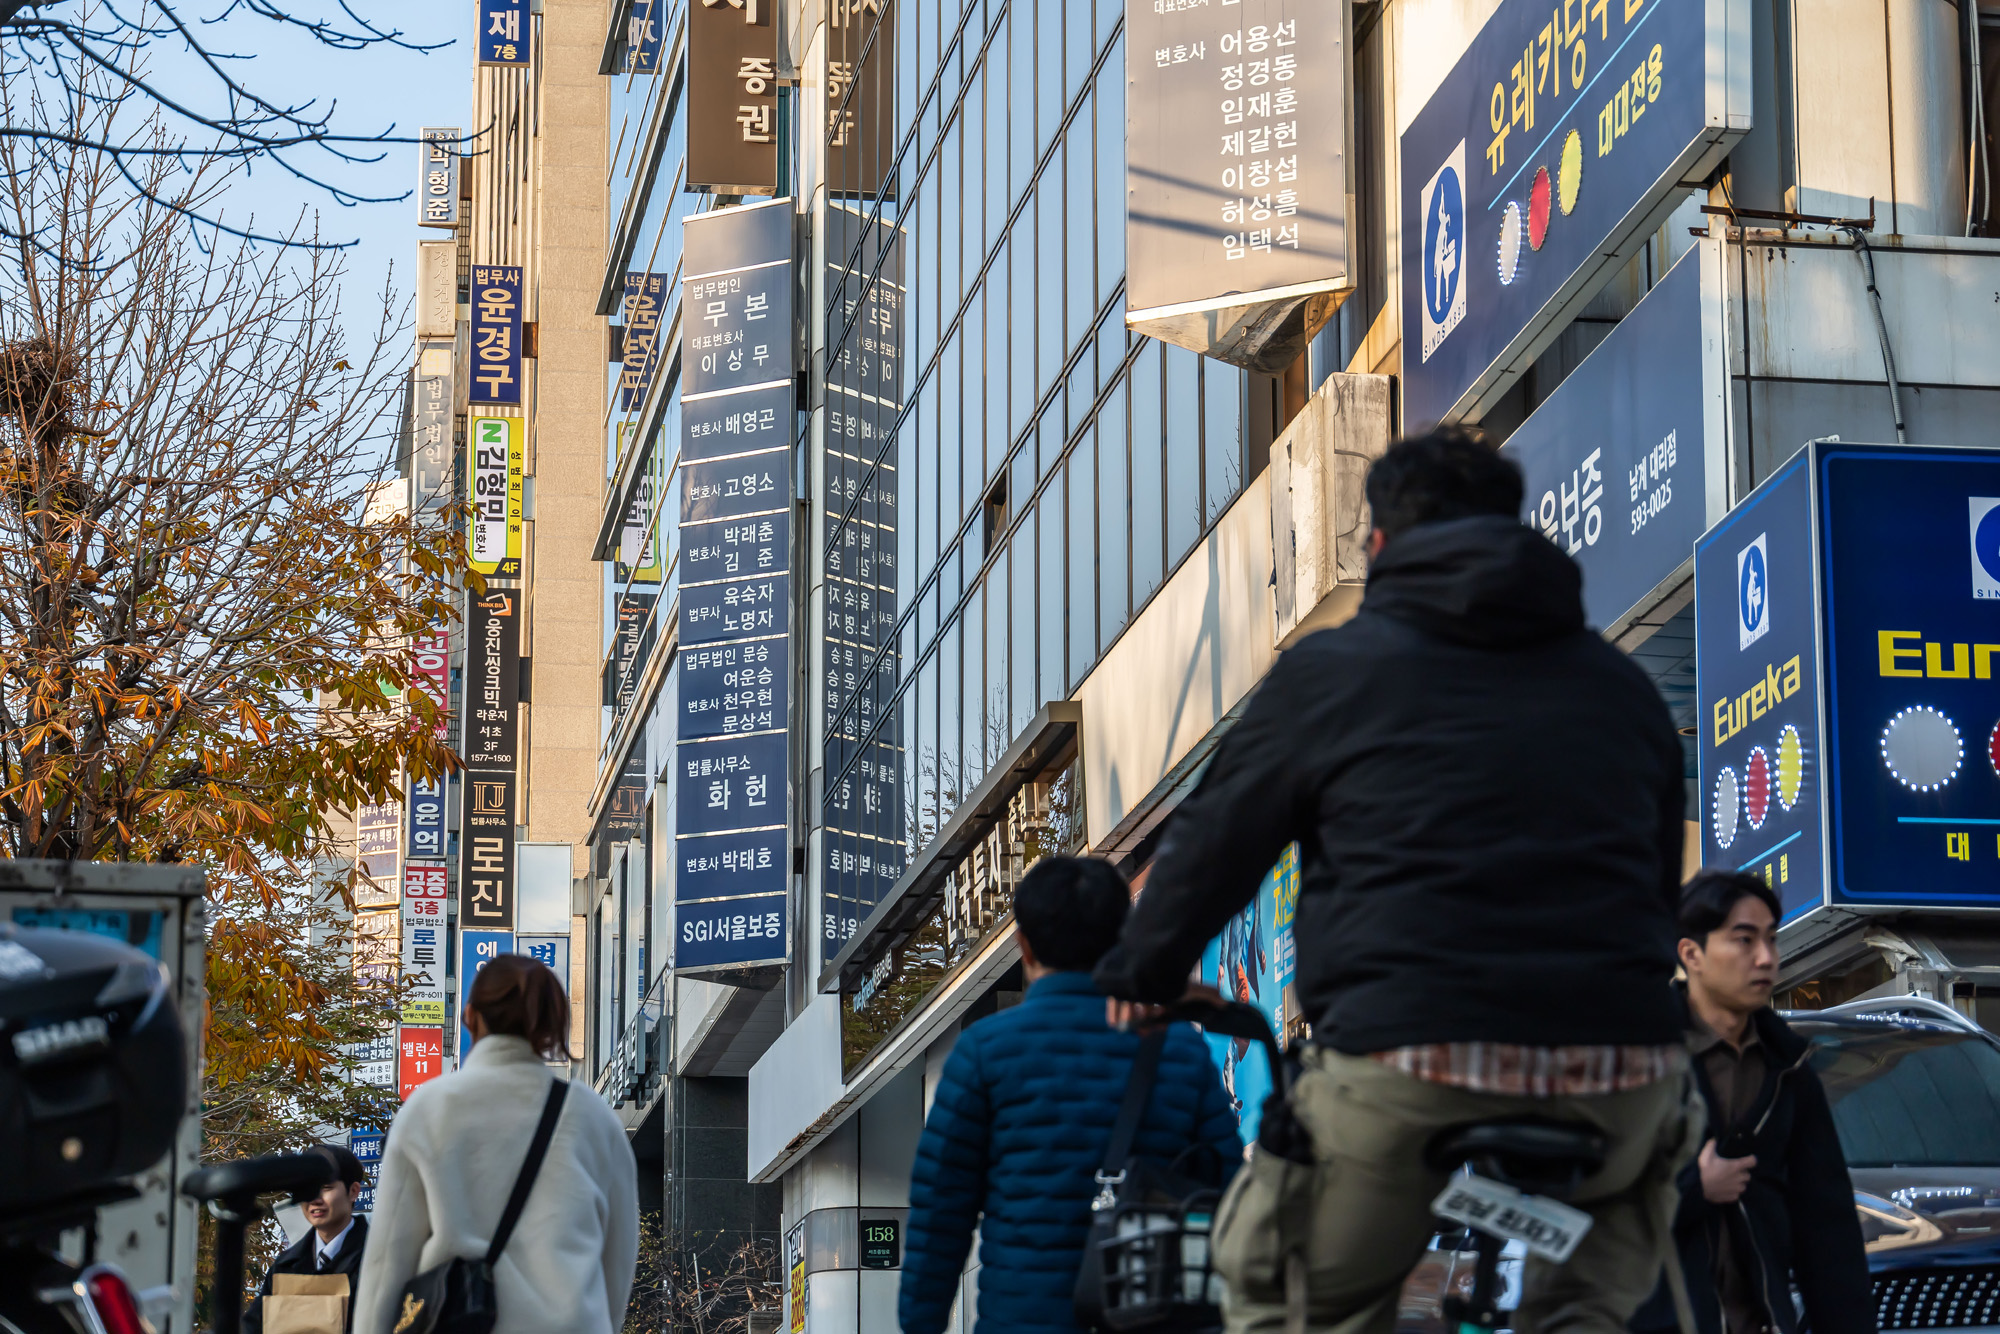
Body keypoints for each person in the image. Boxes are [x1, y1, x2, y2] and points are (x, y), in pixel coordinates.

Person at [1094, 428, 1702, 1334]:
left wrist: (1144, 975)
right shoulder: (1623, 690)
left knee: (1284, 1289)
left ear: (1378, 546)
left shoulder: (1331, 673)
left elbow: (1211, 845)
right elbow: (1657, 896)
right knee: (1592, 1307)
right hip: (1617, 1076)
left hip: (1406, 1065)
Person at [900, 856, 1242, 1334]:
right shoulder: (1178, 1048)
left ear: (1025, 946)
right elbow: (1233, 1199)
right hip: (1154, 1319)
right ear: (1122, 938)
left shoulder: (984, 1053)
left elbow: (940, 1217)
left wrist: (921, 1325)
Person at [1629, 871, 1871, 1334]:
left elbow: (1828, 1233)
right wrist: (1691, 1187)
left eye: (1771, 939)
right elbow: (1588, 1198)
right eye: (1744, 940)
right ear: (1691, 954)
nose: (1766, 958)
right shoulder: (1636, 1059)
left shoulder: (1791, 1069)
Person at [352, 955, 639, 1334]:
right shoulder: (595, 1119)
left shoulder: (428, 1109)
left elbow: (387, 1261)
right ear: (551, 1024)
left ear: (470, 1015)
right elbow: (618, 1260)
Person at [244, 1144, 370, 1334]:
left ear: (353, 1191)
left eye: (326, 1188)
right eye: (307, 1189)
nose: (315, 1199)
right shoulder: (285, 1267)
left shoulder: (379, 1258)